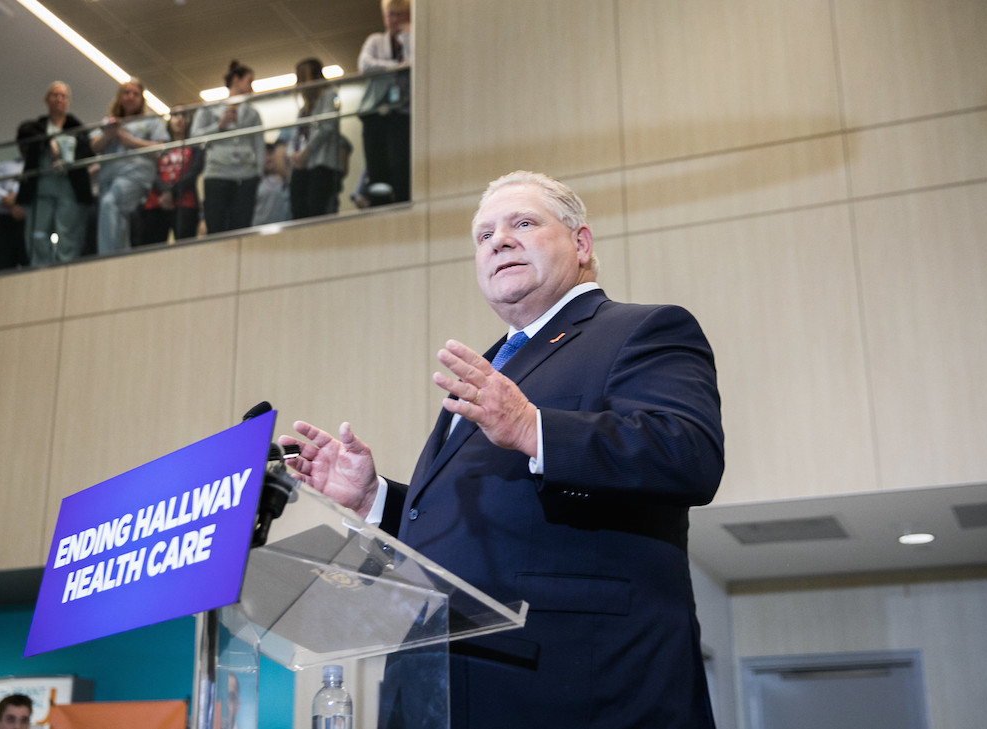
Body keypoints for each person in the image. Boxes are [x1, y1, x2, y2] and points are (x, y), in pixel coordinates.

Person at [279, 171, 724, 729]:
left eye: (523, 223)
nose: (499, 241)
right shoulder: (492, 366)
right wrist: (374, 499)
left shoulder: (641, 330)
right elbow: (479, 527)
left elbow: (688, 455)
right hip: (443, 690)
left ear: (581, 244)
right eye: (484, 235)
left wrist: (535, 428)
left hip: (578, 684)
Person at [16, 81, 94, 265]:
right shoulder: (35, 127)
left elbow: (87, 150)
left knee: (68, 232)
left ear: (68, 102)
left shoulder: (77, 129)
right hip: (41, 188)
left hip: (69, 189)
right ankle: (39, 267)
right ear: (47, 99)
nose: (59, 99)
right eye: (55, 95)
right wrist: (48, 142)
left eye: (63, 96)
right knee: (38, 232)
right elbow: (24, 133)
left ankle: (67, 268)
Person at [90, 78, 168, 254]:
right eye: (126, 93)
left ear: (141, 99)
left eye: (135, 94)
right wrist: (108, 136)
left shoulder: (151, 122)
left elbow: (160, 149)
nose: (130, 97)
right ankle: (122, 254)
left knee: (110, 205)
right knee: (116, 215)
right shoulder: (110, 122)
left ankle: (107, 256)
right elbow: (94, 145)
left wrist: (128, 140)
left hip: (134, 174)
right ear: (120, 97)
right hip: (108, 176)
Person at [191, 61, 264, 234]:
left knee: (241, 226)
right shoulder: (210, 109)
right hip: (217, 174)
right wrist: (219, 126)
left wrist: (258, 174)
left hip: (246, 176)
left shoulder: (253, 114)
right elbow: (194, 138)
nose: (251, 88)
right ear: (236, 79)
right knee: (216, 225)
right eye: (249, 81)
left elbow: (259, 145)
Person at [356, 0, 411, 206]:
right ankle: (380, 205)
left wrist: (407, 36)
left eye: (399, 15)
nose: (394, 21)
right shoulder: (376, 40)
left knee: (400, 163)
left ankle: (403, 202)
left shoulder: (413, 40)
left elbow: (416, 62)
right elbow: (365, 64)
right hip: (375, 112)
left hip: (402, 113)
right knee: (376, 165)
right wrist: (396, 66)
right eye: (390, 15)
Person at [288, 58, 345, 220]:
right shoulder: (304, 110)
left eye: (302, 77)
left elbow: (326, 127)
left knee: (316, 206)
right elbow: (295, 134)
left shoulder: (330, 96)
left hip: (322, 163)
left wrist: (306, 151)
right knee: (298, 206)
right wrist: (294, 154)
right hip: (302, 164)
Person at [140, 108, 204, 245]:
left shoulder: (195, 147)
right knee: (152, 249)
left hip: (185, 204)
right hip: (157, 204)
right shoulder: (159, 146)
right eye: (175, 115)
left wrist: (171, 192)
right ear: (169, 120)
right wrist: (165, 192)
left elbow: (194, 172)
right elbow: (150, 170)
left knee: (185, 249)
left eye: (184, 115)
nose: (180, 118)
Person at [252, 141, 291, 226]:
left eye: (270, 154)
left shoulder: (287, 182)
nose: (268, 158)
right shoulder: (256, 184)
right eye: (265, 155)